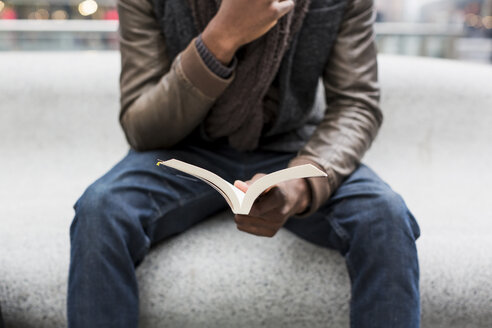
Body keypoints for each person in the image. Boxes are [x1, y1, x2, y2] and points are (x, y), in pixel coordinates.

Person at [67, 0, 421, 326]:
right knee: (102, 210)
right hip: (184, 148)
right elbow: (142, 127)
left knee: (384, 216)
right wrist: (221, 38)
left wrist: (300, 183)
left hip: (293, 147)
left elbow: (357, 104)